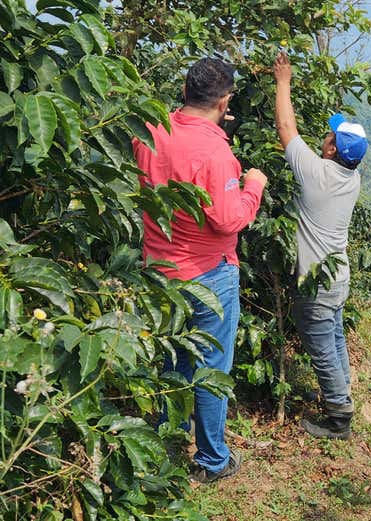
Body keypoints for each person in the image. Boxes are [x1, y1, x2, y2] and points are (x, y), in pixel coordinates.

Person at [134, 57, 267, 483]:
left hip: (158, 270)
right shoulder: (217, 154)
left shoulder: (152, 131)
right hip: (209, 275)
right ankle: (212, 460)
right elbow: (227, 220)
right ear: (224, 100)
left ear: (186, 91)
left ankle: (153, 446)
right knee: (211, 368)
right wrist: (254, 187)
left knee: (168, 359)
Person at [273, 52, 367, 440]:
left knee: (322, 345)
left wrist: (283, 82)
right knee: (335, 336)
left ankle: (338, 418)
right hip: (338, 276)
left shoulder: (315, 174)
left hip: (317, 282)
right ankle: (342, 397)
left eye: (329, 136)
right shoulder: (351, 177)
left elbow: (285, 126)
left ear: (330, 150)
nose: (324, 136)